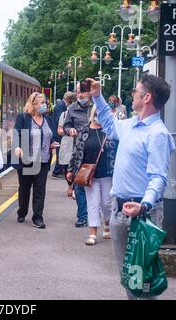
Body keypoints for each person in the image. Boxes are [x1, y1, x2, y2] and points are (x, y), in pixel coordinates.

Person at [88, 74, 175, 299]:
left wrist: (144, 205)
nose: (132, 95)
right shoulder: (130, 125)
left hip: (143, 214)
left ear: (146, 97)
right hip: (120, 211)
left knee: (142, 278)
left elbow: (158, 177)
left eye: (135, 91)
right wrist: (97, 97)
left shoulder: (158, 134)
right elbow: (107, 123)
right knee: (128, 276)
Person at [67, 106, 118, 245]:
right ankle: (92, 233)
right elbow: (76, 151)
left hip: (108, 173)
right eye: (97, 112)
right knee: (93, 203)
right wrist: (71, 170)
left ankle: (107, 223)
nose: (99, 115)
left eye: (102, 113)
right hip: (89, 173)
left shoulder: (111, 130)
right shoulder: (84, 130)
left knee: (106, 203)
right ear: (92, 113)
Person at [12, 92, 58, 229]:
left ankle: (37, 217)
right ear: (33, 104)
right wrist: (17, 148)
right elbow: (16, 134)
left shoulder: (48, 119)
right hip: (27, 160)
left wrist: (53, 143)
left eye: (45, 102)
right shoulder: (23, 118)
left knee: (40, 190)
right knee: (25, 189)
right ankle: (22, 211)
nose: (45, 105)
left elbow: (51, 135)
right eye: (42, 102)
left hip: (43, 160)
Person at [63, 80, 94, 228]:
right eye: (77, 91)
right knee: (79, 185)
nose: (79, 94)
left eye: (82, 91)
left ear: (89, 92)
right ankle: (82, 216)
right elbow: (66, 126)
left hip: (97, 152)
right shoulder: (72, 109)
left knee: (96, 185)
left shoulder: (97, 107)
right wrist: (69, 130)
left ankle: (97, 215)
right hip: (79, 152)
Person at [57, 92, 76, 198]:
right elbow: (59, 130)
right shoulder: (64, 114)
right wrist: (68, 131)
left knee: (76, 165)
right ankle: (70, 185)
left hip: (77, 142)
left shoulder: (80, 113)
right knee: (66, 166)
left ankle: (74, 188)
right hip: (66, 142)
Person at [51, 98, 68, 179]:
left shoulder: (60, 104)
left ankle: (58, 170)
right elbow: (59, 119)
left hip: (56, 132)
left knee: (60, 151)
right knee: (60, 152)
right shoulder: (61, 106)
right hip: (57, 133)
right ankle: (57, 171)